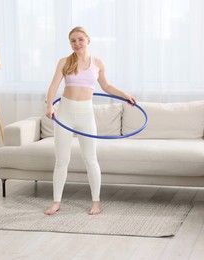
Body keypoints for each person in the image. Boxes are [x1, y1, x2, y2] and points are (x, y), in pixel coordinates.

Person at [44, 26, 136, 215]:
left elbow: (107, 86)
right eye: (73, 41)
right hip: (65, 114)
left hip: (86, 114)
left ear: (88, 40)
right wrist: (50, 106)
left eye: (80, 39)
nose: (76, 43)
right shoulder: (64, 62)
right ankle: (56, 202)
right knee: (61, 160)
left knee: (91, 159)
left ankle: (95, 202)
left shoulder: (98, 63)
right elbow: (53, 86)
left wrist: (125, 95)